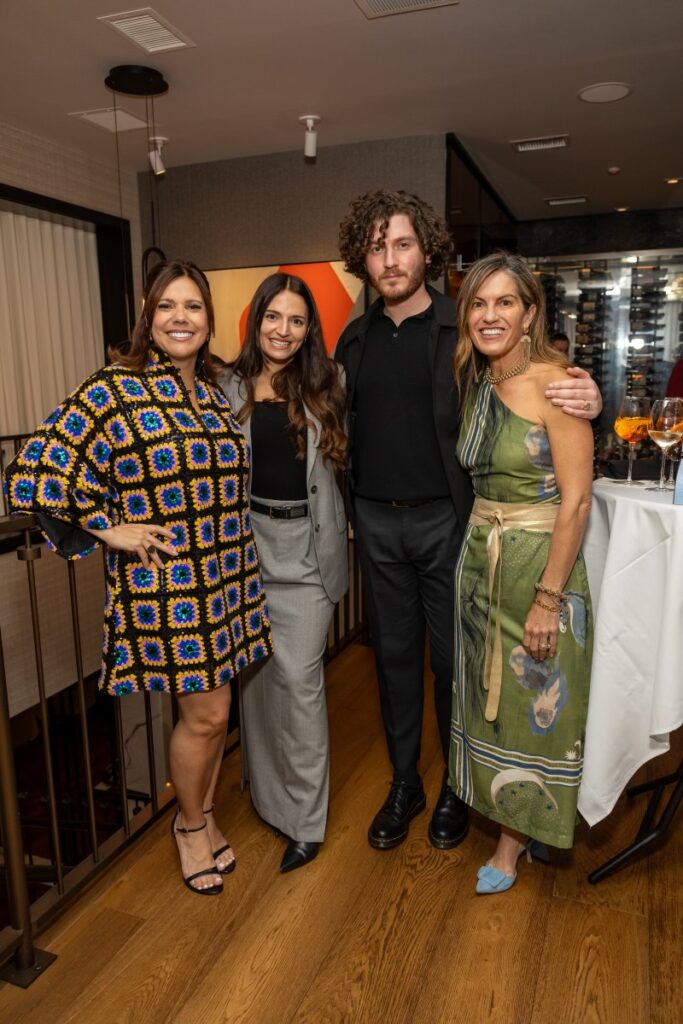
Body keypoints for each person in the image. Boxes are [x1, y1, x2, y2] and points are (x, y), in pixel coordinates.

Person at [335, 189, 601, 853]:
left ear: (426, 249)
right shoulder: (353, 338)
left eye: (402, 244)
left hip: (450, 526)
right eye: (376, 247)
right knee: (391, 660)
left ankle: (458, 785)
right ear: (362, 260)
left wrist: (588, 389)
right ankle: (405, 783)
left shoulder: (467, 335)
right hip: (375, 525)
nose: (390, 259)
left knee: (454, 662)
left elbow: (535, 385)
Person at [4, 259, 273, 896]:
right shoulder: (112, 390)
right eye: (167, 307)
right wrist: (106, 527)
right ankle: (188, 826)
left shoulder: (210, 395)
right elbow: (32, 469)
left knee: (218, 709)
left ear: (209, 323)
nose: (181, 318)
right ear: (148, 320)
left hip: (227, 574)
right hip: (170, 584)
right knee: (207, 716)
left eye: (193, 308)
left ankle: (202, 815)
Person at [449, 251, 593, 894]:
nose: (490, 314)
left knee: (539, 708)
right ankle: (510, 821)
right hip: (482, 565)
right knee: (492, 706)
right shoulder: (476, 378)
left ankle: (512, 844)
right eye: (479, 303)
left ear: (530, 312)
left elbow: (578, 500)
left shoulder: (557, 382)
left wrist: (547, 600)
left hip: (538, 567)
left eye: (505, 302)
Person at [219, 273, 348, 873]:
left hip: (305, 549)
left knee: (298, 684)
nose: (285, 331)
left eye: (297, 321)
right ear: (256, 318)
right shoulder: (223, 385)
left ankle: (304, 820)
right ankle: (268, 799)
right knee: (255, 681)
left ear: (309, 328)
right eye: (275, 317)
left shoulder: (328, 381)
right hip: (244, 549)